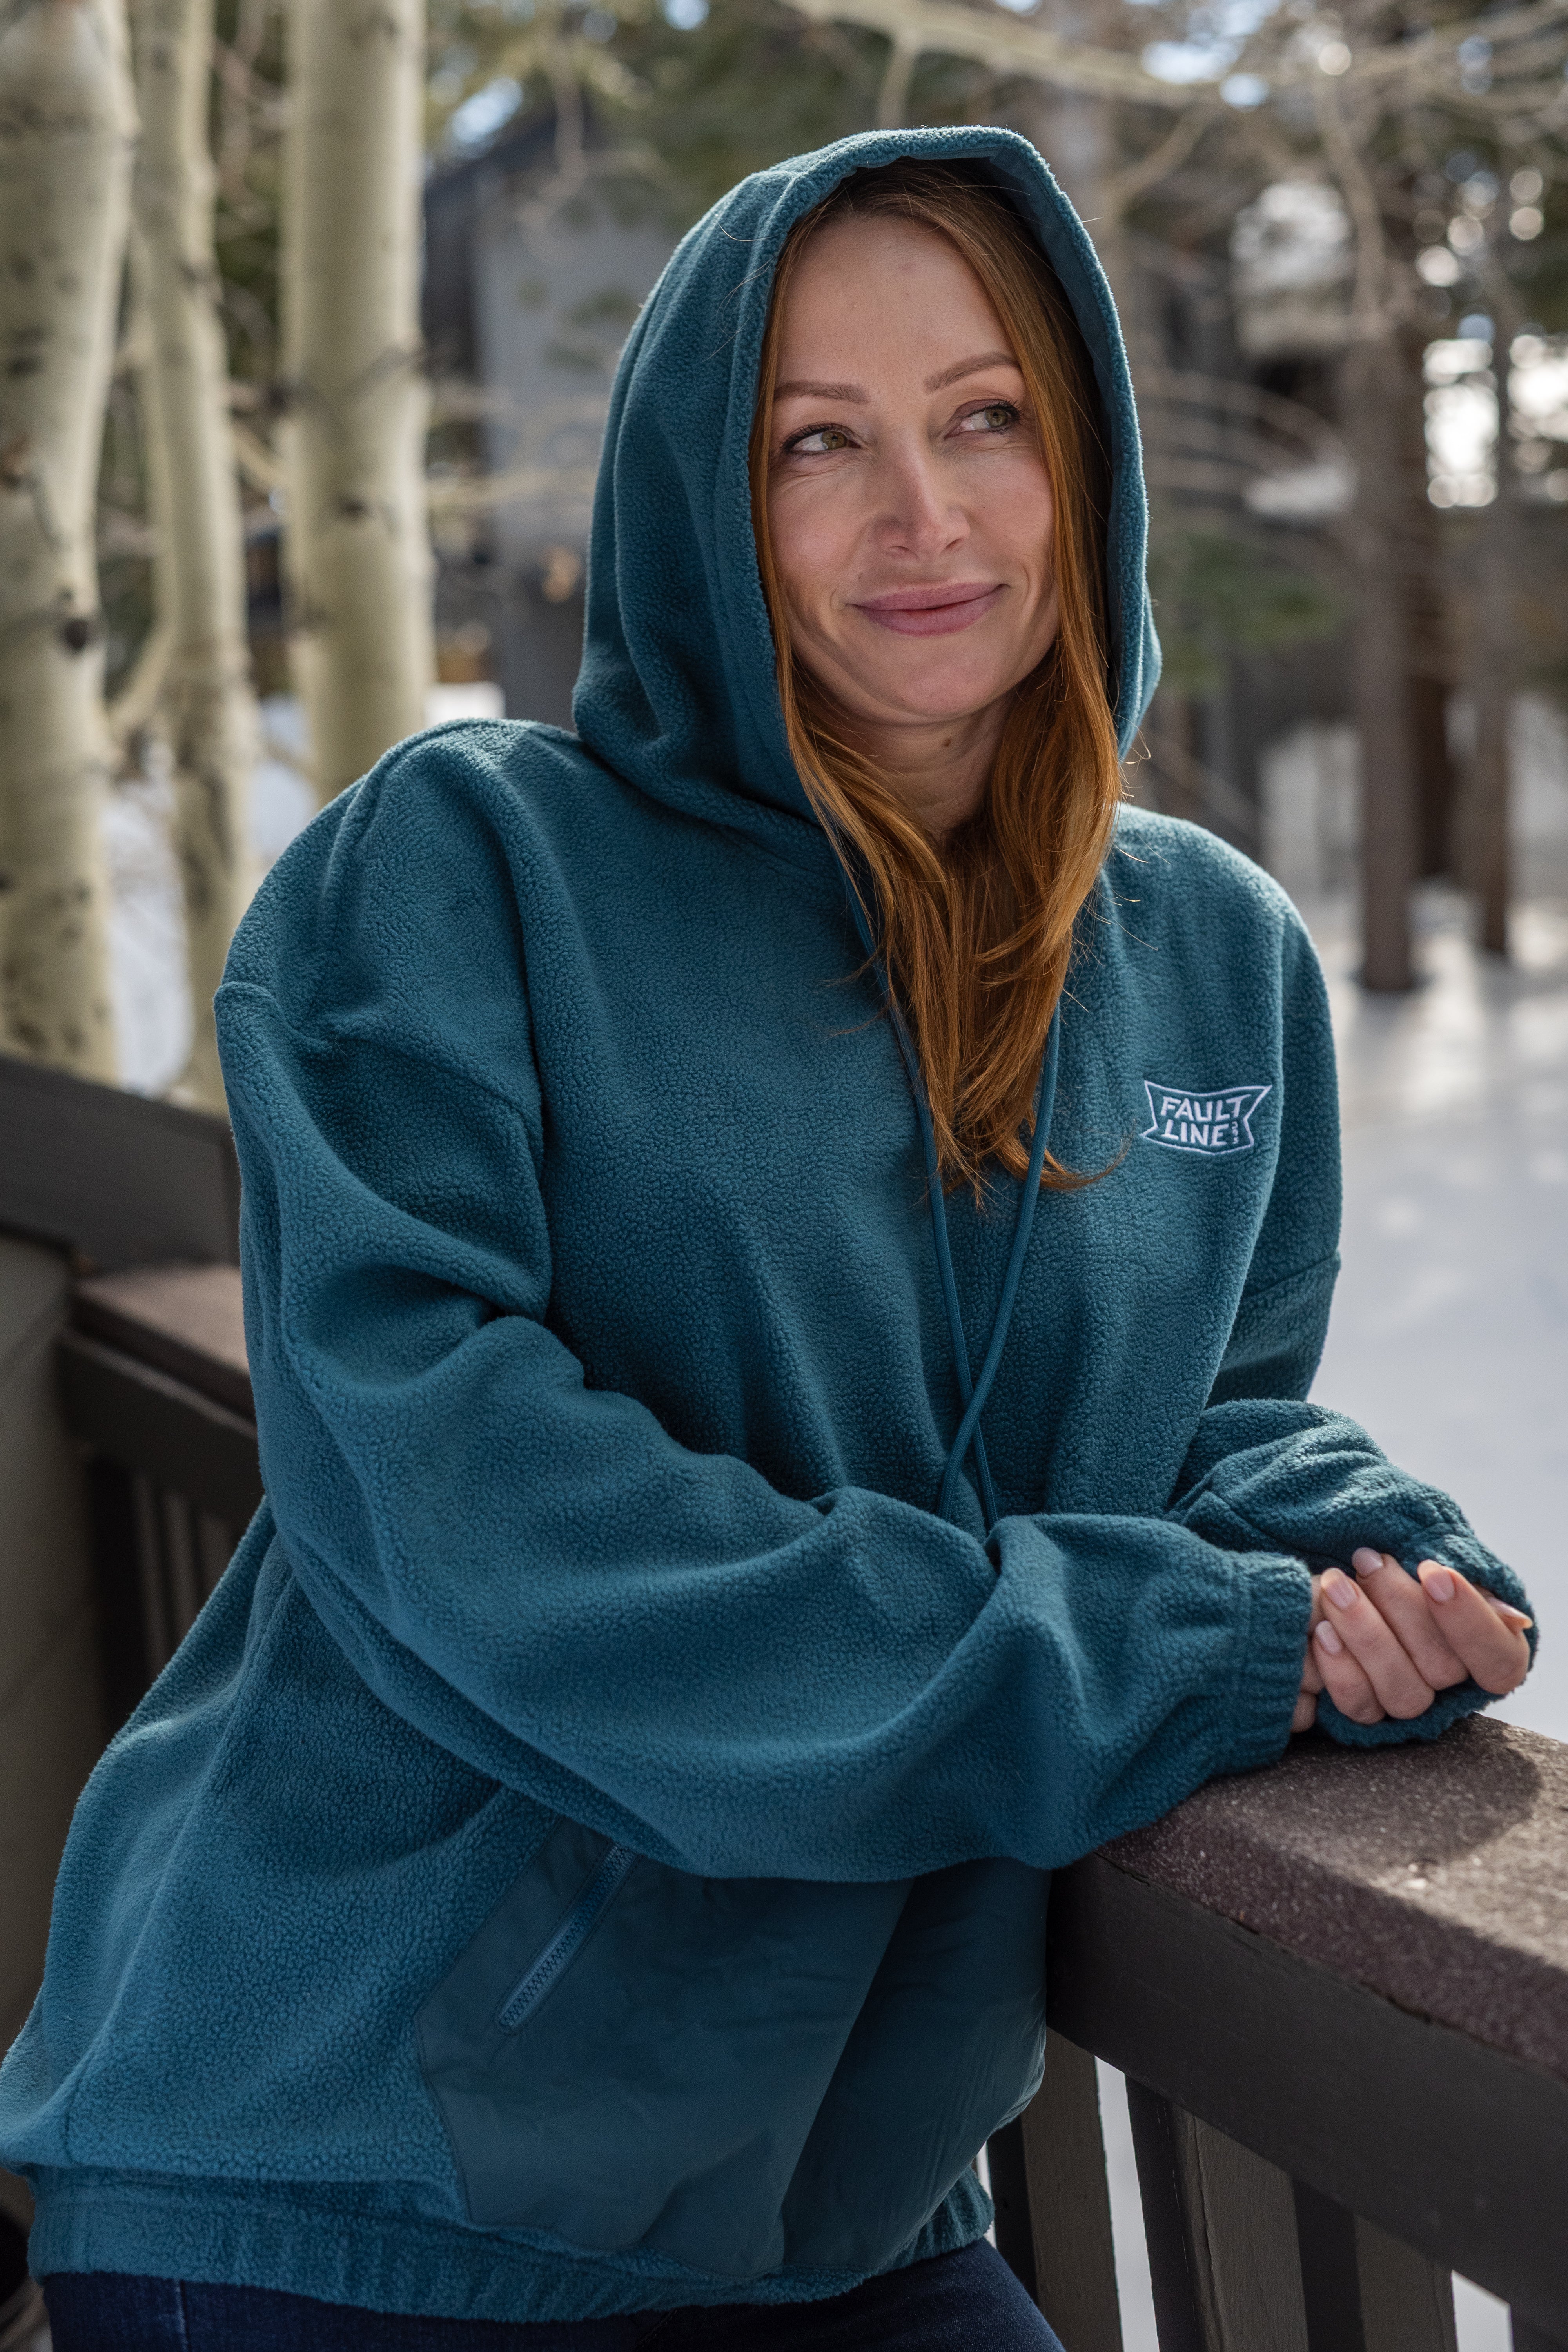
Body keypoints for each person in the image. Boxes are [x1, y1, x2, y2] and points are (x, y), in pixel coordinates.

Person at [1, 128, 1533, 2352]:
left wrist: (1363, 1561)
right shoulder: (464, 874)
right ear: (700, 498)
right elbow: (474, 1517)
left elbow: (1187, 1424)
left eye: (985, 417)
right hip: (348, 2175)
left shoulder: (1213, 959)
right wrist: (1160, 1655)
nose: (924, 515)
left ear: (1083, 458)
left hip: (838, 2201)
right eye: (818, 441)